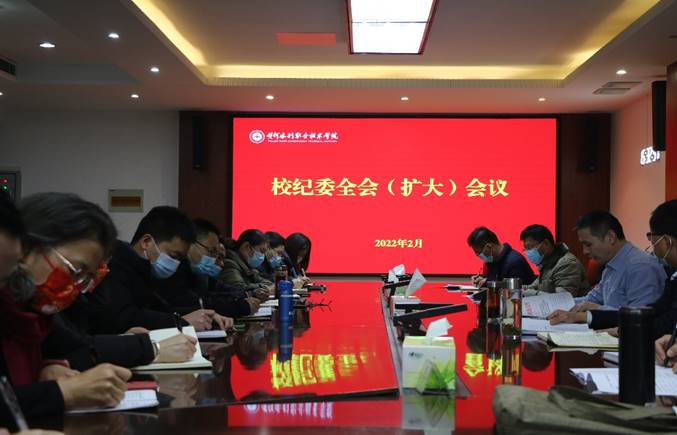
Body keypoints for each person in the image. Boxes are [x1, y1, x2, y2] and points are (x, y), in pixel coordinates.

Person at [0, 192, 131, 426]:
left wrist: (50, 366)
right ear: (28, 247)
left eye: (85, 278)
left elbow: (74, 346)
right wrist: (63, 393)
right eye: (75, 271)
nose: (76, 288)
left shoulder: (34, 315)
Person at [84, 206, 229, 334]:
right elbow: (122, 317)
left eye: (180, 259)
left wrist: (202, 315)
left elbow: (160, 310)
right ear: (146, 242)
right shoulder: (113, 264)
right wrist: (181, 322)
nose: (176, 264)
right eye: (174, 256)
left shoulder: (143, 269)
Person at [552, 201, 676, 336]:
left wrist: (596, 311)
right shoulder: (610, 265)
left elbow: (646, 318)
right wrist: (553, 306)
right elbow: (591, 300)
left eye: (588, 244)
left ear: (611, 237)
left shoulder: (641, 267)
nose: (585, 251)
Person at [156, 218, 257, 318]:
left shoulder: (198, 272)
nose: (214, 259)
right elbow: (197, 303)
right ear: (190, 244)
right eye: (211, 251)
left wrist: (245, 296)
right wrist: (239, 305)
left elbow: (219, 291)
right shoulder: (172, 269)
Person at [519, 224, 589, 297]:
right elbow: (534, 287)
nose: (528, 252)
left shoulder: (567, 263)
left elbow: (562, 299)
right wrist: (518, 289)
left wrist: (532, 293)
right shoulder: (547, 263)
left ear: (546, 243)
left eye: (530, 247)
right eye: (525, 249)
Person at [467, 226, 535, 287]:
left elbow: (512, 291)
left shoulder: (515, 263)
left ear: (489, 247)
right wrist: (484, 281)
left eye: (479, 253)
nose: (478, 256)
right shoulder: (493, 261)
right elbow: (498, 282)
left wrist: (489, 283)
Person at [220, 229, 273, 295]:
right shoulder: (230, 264)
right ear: (246, 246)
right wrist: (264, 287)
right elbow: (238, 288)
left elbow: (269, 283)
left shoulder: (248, 265)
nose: (263, 256)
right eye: (261, 251)